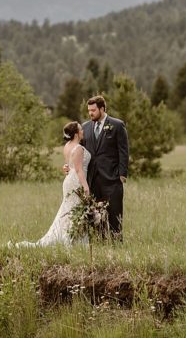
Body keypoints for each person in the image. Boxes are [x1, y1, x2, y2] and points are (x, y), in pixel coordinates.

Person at [16, 121, 90, 246]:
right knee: (75, 209)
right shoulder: (78, 149)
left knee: (69, 209)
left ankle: (68, 237)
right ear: (77, 134)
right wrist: (86, 187)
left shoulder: (67, 146)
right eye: (81, 130)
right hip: (76, 181)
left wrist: (66, 168)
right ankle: (71, 240)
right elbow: (78, 170)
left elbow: (68, 165)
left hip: (68, 180)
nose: (83, 132)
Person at [81, 95, 129, 240]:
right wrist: (69, 166)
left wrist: (122, 174)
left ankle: (116, 243)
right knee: (95, 216)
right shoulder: (85, 127)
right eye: (89, 110)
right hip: (92, 180)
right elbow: (80, 151)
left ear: (102, 109)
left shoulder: (117, 125)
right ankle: (99, 242)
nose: (90, 113)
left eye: (93, 110)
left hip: (112, 178)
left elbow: (123, 150)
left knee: (114, 214)